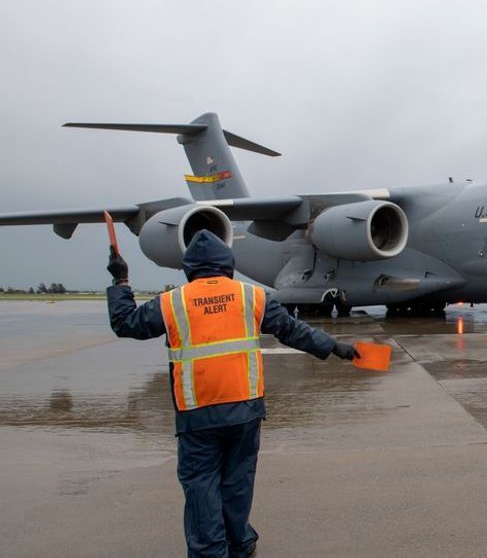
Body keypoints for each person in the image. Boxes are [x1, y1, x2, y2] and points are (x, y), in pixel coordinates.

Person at [105, 230, 359, 557]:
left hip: (198, 412)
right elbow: (292, 331)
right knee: (237, 483)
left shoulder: (173, 301)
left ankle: (211, 552)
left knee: (201, 486)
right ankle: (239, 542)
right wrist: (334, 346)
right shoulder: (251, 297)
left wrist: (121, 280)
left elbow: (126, 323)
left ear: (189, 269)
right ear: (228, 265)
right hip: (244, 410)